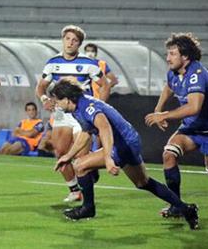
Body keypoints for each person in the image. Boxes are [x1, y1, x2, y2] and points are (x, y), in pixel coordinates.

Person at [51, 80, 199, 230]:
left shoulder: (87, 107)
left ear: (67, 99)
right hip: (129, 141)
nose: (56, 105)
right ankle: (186, 209)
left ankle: (88, 208)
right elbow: (86, 133)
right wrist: (68, 156)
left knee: (80, 166)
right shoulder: (77, 108)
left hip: (122, 144)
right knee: (143, 182)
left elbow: (105, 128)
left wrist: (108, 158)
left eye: (57, 101)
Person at [145, 33, 208, 217]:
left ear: (185, 56)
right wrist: (158, 108)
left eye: (172, 54)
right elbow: (169, 86)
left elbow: (194, 107)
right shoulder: (174, 72)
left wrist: (164, 115)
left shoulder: (198, 74)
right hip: (190, 129)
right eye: (168, 53)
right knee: (168, 155)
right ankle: (177, 206)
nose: (168, 58)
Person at [36, 25, 109, 203]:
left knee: (80, 157)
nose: (70, 43)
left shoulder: (89, 64)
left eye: (74, 40)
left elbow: (105, 85)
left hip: (81, 113)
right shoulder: (53, 62)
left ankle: (87, 199)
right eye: (67, 39)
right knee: (60, 152)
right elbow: (41, 86)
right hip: (61, 113)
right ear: (63, 40)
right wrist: (45, 99)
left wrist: (99, 106)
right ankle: (74, 189)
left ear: (79, 44)